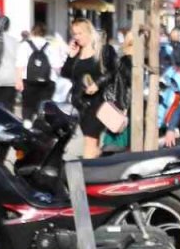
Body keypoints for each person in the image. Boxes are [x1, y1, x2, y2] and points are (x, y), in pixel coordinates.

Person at [60, 18, 119, 158]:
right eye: (74, 34)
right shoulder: (77, 52)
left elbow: (114, 71)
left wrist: (98, 83)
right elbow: (66, 74)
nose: (77, 37)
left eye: (80, 33)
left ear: (89, 32)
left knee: (90, 142)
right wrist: (70, 56)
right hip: (81, 104)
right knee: (93, 142)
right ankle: (100, 166)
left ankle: (88, 173)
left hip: (99, 103)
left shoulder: (103, 50)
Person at [15, 23, 65, 120]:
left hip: (28, 82)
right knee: (45, 108)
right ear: (45, 33)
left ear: (32, 32)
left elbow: (19, 64)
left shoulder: (25, 45)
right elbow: (57, 66)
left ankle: (27, 126)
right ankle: (42, 128)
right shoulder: (51, 46)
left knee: (27, 107)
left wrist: (18, 80)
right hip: (47, 83)